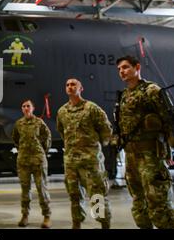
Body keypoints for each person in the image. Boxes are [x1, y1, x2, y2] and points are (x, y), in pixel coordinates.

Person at [115, 55, 174, 229]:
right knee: (139, 207)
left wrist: (170, 144)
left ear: (137, 67)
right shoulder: (124, 96)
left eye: (125, 67)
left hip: (151, 157)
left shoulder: (152, 91)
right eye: (119, 69)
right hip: (131, 158)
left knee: (158, 206)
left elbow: (169, 119)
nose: (122, 72)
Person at [56, 78, 112, 229]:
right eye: (67, 85)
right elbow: (63, 132)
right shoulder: (62, 111)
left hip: (91, 161)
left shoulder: (92, 108)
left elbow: (106, 131)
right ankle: (77, 223)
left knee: (96, 196)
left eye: (74, 84)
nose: (70, 87)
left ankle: (103, 224)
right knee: (74, 195)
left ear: (81, 88)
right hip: (71, 161)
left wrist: (93, 148)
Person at [12, 99, 52, 228]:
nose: (26, 108)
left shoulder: (39, 123)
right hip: (23, 161)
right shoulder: (19, 124)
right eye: (23, 106)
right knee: (25, 190)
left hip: (38, 160)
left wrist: (41, 151)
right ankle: (25, 215)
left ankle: (46, 216)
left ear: (33, 108)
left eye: (28, 106)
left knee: (42, 189)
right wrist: (23, 150)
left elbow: (47, 138)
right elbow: (16, 139)